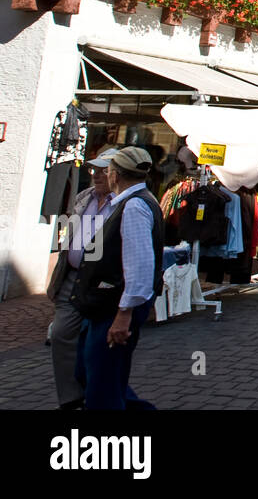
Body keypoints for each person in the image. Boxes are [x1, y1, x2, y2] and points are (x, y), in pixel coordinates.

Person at [71, 147, 161, 411]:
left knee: (102, 383)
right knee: (92, 372)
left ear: (115, 175)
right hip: (106, 302)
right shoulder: (134, 201)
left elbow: (140, 265)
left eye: (108, 171)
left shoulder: (134, 206)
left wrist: (124, 314)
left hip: (116, 304)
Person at [48, 150, 117, 410]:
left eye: (103, 170)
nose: (97, 175)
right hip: (73, 277)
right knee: (61, 333)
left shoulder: (122, 203)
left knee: (97, 346)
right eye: (95, 170)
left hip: (101, 284)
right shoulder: (83, 197)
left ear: (116, 173)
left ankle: (102, 396)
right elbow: (70, 239)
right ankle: (70, 398)